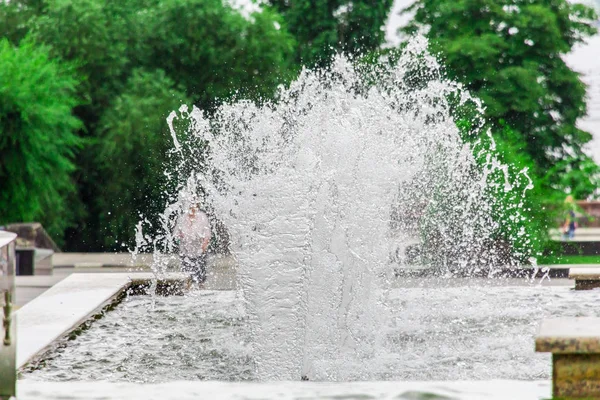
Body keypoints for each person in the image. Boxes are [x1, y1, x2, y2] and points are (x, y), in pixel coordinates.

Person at [176, 203, 212, 284]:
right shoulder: (183, 217)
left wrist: (203, 247)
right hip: (185, 249)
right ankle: (187, 289)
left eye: (194, 204)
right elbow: (176, 233)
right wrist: (180, 236)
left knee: (200, 275)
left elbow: (207, 234)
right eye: (190, 204)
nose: (192, 206)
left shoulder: (202, 216)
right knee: (186, 274)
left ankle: (200, 289)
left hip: (199, 249)